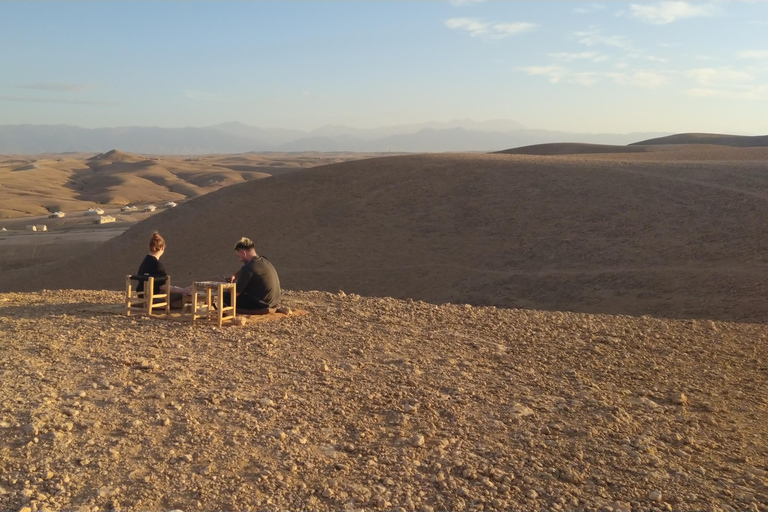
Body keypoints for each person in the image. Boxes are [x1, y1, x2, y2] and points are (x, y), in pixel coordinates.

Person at [223, 237, 281, 310]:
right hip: (274, 301)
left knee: (225, 296)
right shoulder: (262, 259)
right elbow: (244, 268)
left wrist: (224, 284)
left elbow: (235, 293)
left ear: (244, 253)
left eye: (239, 256)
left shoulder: (249, 268)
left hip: (261, 304)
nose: (239, 259)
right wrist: (235, 276)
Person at [136, 232, 191, 306]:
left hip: (142, 295)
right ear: (162, 247)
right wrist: (183, 290)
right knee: (183, 295)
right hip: (153, 297)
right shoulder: (156, 265)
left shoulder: (146, 261)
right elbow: (163, 286)